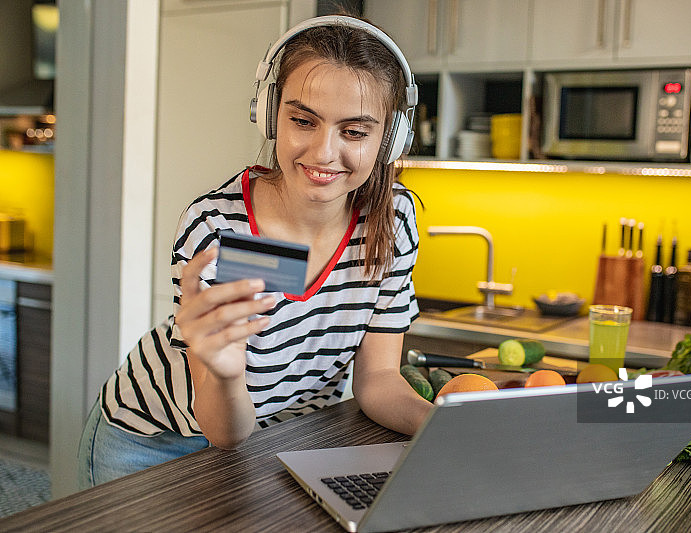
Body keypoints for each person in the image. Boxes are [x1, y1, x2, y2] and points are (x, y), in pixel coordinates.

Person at [78, 15, 432, 488]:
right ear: (270, 115)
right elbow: (224, 431)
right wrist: (225, 375)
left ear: (390, 138)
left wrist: (443, 428)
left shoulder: (391, 221)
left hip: (276, 441)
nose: (324, 152)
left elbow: (378, 381)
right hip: (154, 441)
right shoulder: (222, 228)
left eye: (354, 131)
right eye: (303, 121)